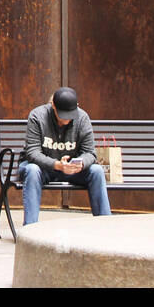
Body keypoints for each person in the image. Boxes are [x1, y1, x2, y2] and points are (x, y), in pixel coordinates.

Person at [19, 86, 111, 225]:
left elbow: (91, 153)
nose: (66, 120)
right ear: (53, 106)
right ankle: (30, 229)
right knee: (31, 170)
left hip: (72, 169)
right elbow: (32, 152)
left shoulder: (82, 117)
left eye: (70, 115)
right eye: (62, 115)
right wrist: (56, 165)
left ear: (77, 107)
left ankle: (106, 227)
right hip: (43, 169)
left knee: (96, 171)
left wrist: (80, 163)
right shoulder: (37, 116)